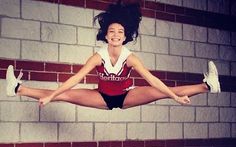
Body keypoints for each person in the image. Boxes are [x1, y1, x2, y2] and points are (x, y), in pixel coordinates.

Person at [5, 0, 220, 110]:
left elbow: (152, 79)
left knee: (161, 91)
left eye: (120, 32)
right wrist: (51, 96)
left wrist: (174, 98)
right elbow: (75, 79)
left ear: (124, 36)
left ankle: (208, 86)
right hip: (101, 96)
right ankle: (17, 88)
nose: (116, 35)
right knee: (65, 94)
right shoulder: (98, 57)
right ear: (106, 36)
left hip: (127, 96)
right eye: (112, 32)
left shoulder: (130, 57)